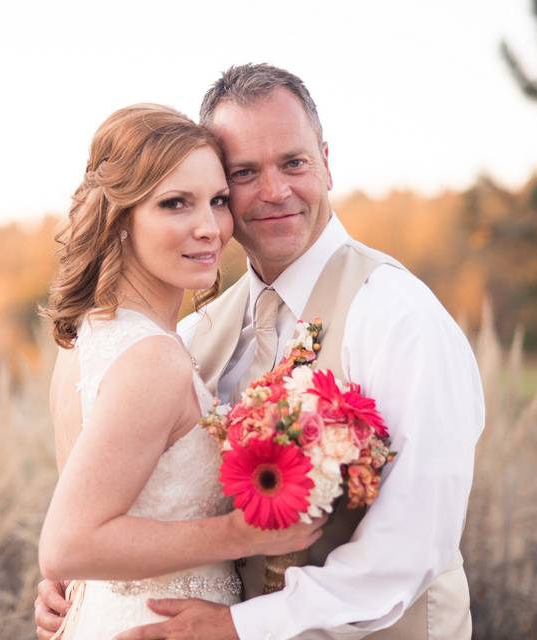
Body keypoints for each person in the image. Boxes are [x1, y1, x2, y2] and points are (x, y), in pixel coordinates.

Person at [36, 65, 484, 640]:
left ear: (326, 161)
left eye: (293, 163)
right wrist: (81, 586)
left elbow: (412, 542)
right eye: (244, 173)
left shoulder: (398, 315)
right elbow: (117, 506)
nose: (274, 192)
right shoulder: (193, 334)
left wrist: (241, 626)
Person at [37, 104, 327, 639]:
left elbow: (87, 515)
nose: (210, 228)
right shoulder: (151, 358)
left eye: (217, 201)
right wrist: (247, 534)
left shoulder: (89, 339)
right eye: (175, 204)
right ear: (118, 219)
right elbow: (70, 542)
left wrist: (68, 583)